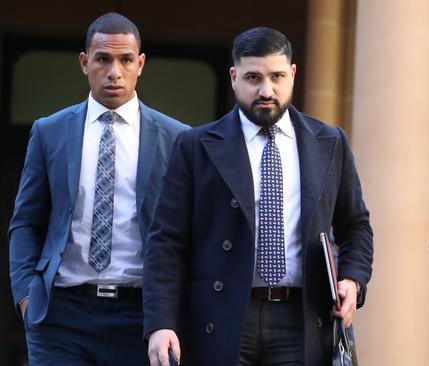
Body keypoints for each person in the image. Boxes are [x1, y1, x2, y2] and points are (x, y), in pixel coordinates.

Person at [143, 26, 373, 366]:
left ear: (293, 74)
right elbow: (166, 242)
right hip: (221, 317)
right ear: (234, 77)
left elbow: (356, 227)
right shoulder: (194, 147)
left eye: (277, 76)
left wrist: (352, 280)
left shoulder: (330, 143)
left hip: (303, 318)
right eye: (253, 77)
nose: (266, 90)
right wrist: (161, 323)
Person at [8, 12, 189, 365]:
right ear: (84, 62)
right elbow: (26, 222)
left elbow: (187, 232)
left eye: (125, 60)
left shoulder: (177, 138)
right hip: (62, 315)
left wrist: (169, 314)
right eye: (103, 59)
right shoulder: (50, 131)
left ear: (141, 63)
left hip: (141, 316)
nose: (114, 72)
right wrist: (27, 296)